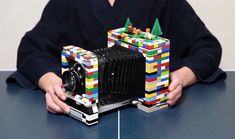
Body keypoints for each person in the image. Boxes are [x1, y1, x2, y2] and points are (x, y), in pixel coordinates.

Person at [7, 0, 226, 114]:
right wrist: (53, 84)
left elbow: (207, 47)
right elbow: (30, 50)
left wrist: (179, 78)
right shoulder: (67, 2)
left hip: (151, 117)